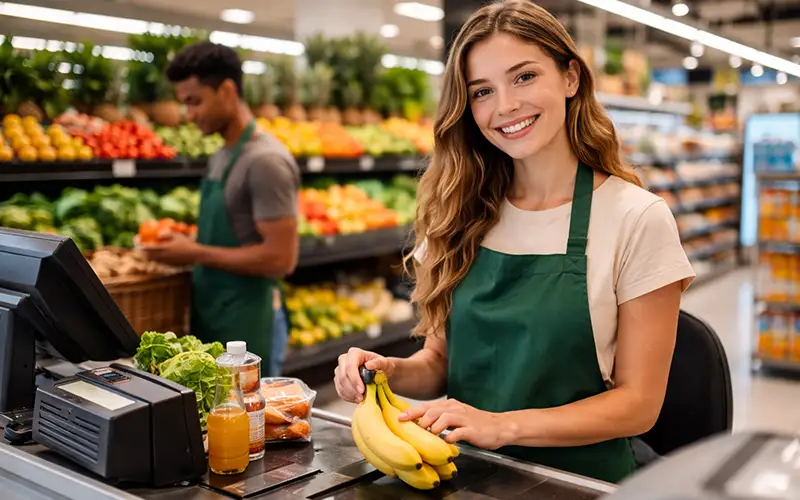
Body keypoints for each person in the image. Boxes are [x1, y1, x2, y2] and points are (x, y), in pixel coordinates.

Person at [334, 0, 696, 484]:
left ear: (570, 78)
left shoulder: (636, 218)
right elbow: (440, 362)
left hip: (579, 483)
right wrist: (387, 372)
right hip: (461, 472)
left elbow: (638, 406)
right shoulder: (459, 213)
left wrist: (503, 426)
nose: (505, 105)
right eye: (482, 91)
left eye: (524, 77)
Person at [145, 41, 300, 376]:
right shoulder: (221, 155)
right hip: (214, 316)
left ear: (227, 91)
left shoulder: (265, 161)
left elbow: (281, 259)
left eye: (195, 101)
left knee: (254, 425)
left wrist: (195, 252)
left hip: (249, 324)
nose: (189, 115)